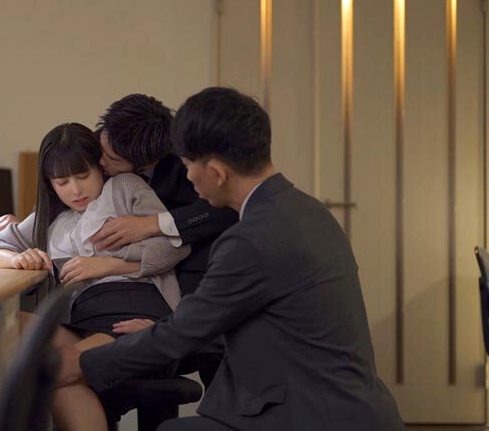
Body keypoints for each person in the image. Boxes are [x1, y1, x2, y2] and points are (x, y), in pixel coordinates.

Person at [57, 87, 404, 430]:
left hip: (309, 413)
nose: (187, 176)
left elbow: (183, 333)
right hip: (352, 405)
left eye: (188, 165)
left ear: (217, 173)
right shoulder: (309, 211)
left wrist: (82, 363)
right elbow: (270, 319)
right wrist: (168, 329)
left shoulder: (251, 239)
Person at [0, 122, 189, 431]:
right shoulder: (51, 217)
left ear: (100, 167)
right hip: (85, 320)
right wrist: (16, 258)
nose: (75, 190)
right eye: (62, 182)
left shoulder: (125, 188)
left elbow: (176, 245)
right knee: (9, 324)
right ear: (50, 184)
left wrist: (109, 265)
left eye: (83, 176)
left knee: (56, 373)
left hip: (135, 315)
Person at [92, 93, 238, 386]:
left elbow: (225, 210)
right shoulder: (101, 151)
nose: (101, 161)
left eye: (113, 159)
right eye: (102, 149)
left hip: (188, 276)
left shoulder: (188, 162)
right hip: (119, 288)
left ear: (148, 160)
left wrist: (152, 224)